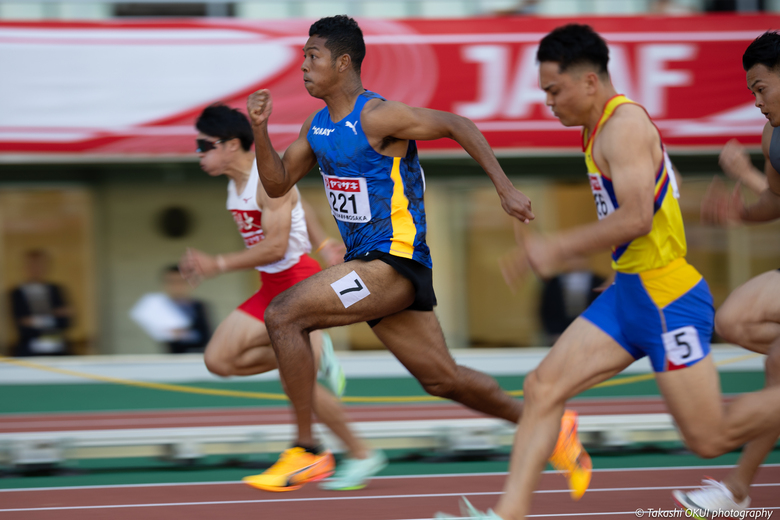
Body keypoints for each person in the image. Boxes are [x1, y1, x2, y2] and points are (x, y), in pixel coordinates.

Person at [437, 24, 780, 520]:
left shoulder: (624, 126)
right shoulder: (599, 130)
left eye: (554, 90)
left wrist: (558, 245)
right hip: (630, 293)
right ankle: (506, 514)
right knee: (542, 387)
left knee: (710, 438)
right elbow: (665, 184)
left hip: (667, 295)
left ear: (590, 82)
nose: (548, 102)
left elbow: (639, 214)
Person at [245, 14, 588, 497]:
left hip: (392, 263)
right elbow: (278, 183)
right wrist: (259, 130)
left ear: (343, 63)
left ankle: (306, 451)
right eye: (303, 55)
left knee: (283, 314)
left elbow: (456, 124)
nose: (302, 65)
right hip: (369, 267)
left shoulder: (376, 117)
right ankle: (552, 427)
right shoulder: (317, 126)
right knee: (442, 379)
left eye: (312, 56)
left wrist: (505, 188)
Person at [179, 103, 385, 492]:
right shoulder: (237, 182)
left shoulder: (261, 178)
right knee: (219, 360)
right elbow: (298, 201)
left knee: (297, 382)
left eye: (203, 145)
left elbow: (275, 247)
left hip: (296, 283)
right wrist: (324, 242)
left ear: (230, 144)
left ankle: (362, 453)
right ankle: (306, 357)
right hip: (270, 287)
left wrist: (216, 263)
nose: (198, 154)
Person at [672, 30, 780, 516]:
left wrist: (744, 176)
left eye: (761, 88)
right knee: (735, 321)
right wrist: (741, 210)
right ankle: (735, 491)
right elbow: (776, 202)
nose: (757, 103)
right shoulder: (773, 134)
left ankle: (735, 490)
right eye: (751, 93)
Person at [10, 249, 72, 357]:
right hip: (29, 350)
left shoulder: (56, 290)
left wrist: (34, 320)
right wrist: (53, 315)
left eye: (40, 265)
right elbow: (21, 325)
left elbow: (65, 322)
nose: (36, 269)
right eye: (33, 265)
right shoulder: (17, 293)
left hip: (58, 349)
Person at [161, 265, 211, 354]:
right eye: (172, 282)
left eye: (180, 282)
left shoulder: (198, 306)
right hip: (173, 358)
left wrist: (184, 334)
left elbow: (207, 336)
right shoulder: (163, 308)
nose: (176, 286)